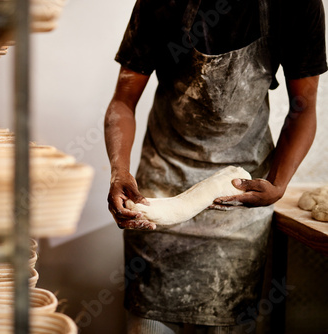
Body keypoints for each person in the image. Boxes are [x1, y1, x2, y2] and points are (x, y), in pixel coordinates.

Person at [104, 0, 326, 333]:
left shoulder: (296, 5)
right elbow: (123, 100)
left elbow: (303, 109)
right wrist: (119, 171)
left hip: (241, 201)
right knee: (150, 322)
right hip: (161, 192)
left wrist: (278, 183)